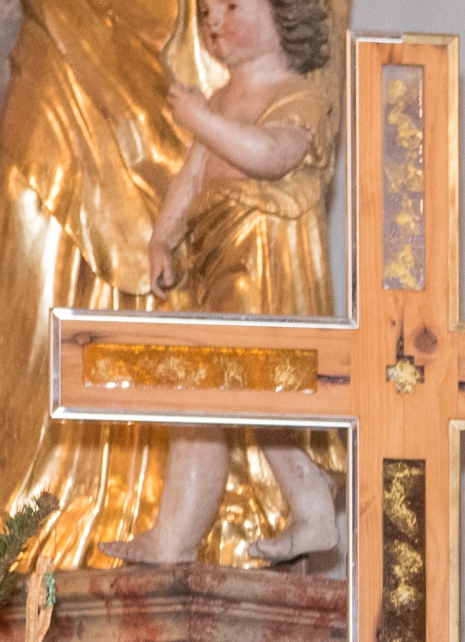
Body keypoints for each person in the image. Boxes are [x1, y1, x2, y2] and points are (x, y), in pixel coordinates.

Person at [99, 0, 341, 567]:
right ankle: (181, 534)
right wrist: (162, 240)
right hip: (219, 261)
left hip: (262, 265)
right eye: (208, 9)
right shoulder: (220, 102)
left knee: (239, 388)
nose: (213, 20)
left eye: (232, 5)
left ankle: (307, 506)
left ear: (284, 16)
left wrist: (200, 120)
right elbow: (191, 180)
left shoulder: (298, 96)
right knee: (206, 394)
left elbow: (270, 155)